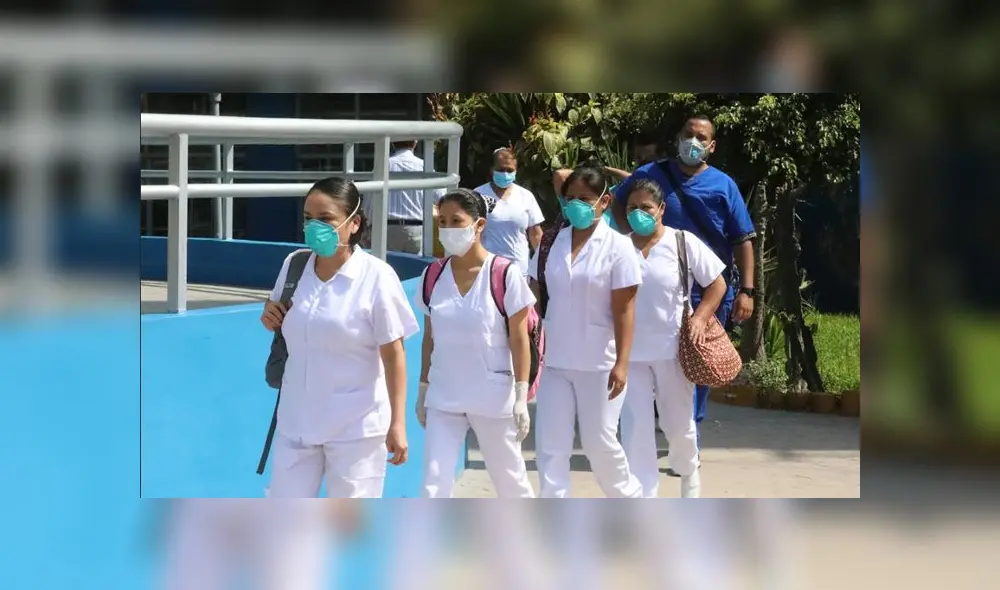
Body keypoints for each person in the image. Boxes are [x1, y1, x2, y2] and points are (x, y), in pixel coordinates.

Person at [260, 177, 419, 498]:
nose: (313, 226)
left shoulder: (377, 277)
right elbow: (279, 315)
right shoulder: (295, 266)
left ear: (354, 223)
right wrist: (269, 314)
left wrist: (397, 424)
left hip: (355, 430)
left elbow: (394, 355)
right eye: (308, 218)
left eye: (325, 219)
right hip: (296, 423)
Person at [609, 115, 756, 439]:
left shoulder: (723, 185)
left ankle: (690, 432)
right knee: (644, 356)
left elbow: (743, 239)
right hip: (654, 284)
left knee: (698, 358)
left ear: (712, 146)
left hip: (706, 287)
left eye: (702, 138)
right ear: (677, 137)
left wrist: (747, 291)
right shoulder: (651, 174)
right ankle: (644, 430)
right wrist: (626, 234)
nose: (694, 142)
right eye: (688, 134)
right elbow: (620, 202)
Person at [527, 165, 643, 498]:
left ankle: (629, 498)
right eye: (570, 198)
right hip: (556, 361)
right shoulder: (552, 242)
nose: (576, 204)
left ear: (604, 202)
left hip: (600, 364)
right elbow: (534, 291)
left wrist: (622, 363)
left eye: (585, 198)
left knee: (600, 443)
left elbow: (625, 309)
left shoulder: (619, 248)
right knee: (551, 444)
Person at [413, 188, 536, 498]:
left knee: (511, 482)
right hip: (445, 395)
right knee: (433, 484)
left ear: (479, 225)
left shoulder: (504, 274)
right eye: (443, 221)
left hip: (492, 397)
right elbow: (430, 337)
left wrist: (521, 396)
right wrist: (423, 387)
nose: (448, 229)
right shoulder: (433, 275)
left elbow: (520, 339)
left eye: (457, 220)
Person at [617, 179, 726, 498]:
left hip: (673, 351)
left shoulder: (682, 242)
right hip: (629, 355)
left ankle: (688, 471)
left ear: (661, 210)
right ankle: (643, 498)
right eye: (632, 208)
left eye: (646, 208)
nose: (638, 214)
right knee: (635, 430)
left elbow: (716, 284)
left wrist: (700, 316)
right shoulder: (618, 246)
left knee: (678, 425)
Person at [364, 140, 446, 255]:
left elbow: (369, 201)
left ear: (392, 143)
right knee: (415, 269)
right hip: (416, 228)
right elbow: (442, 198)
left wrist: (369, 226)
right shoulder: (425, 166)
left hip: (386, 229)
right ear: (415, 143)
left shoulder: (381, 165)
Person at [476, 147, 545, 273]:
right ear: (491, 169)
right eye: (501, 169)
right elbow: (472, 234)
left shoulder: (526, 196)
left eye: (510, 170)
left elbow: (535, 234)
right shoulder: (478, 195)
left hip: (520, 270)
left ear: (516, 171)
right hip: (487, 269)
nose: (505, 174)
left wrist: (543, 263)